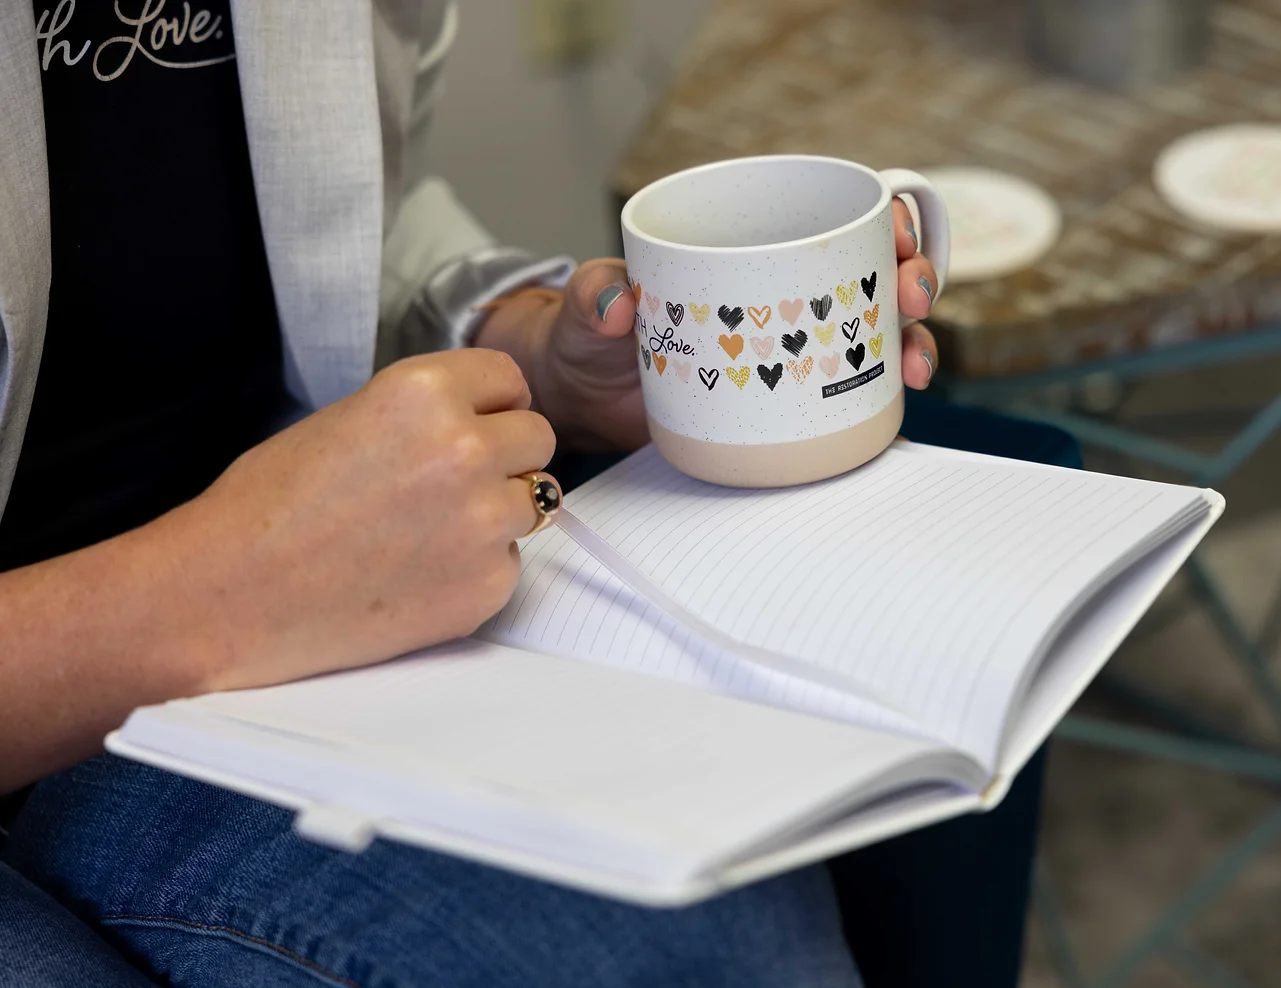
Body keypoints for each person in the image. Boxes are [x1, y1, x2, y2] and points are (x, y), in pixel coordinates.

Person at [0, 3, 1057, 986]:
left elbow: (349, 216)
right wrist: (219, 592)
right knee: (691, 942)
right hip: (88, 691)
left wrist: (534, 355)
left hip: (319, 570)